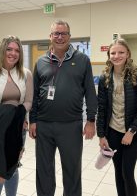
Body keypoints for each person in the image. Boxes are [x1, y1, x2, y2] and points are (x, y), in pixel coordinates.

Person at [29, 20, 97, 196]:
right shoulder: (41, 61)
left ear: (69, 36)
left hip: (71, 125)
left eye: (63, 33)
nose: (60, 37)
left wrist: (91, 121)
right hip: (44, 125)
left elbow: (90, 92)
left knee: (72, 171)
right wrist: (33, 120)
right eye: (56, 34)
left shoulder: (82, 60)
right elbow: (34, 94)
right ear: (50, 37)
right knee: (44, 170)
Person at [96, 38, 137, 196]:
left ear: (128, 54)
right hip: (112, 132)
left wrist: (132, 131)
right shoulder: (104, 78)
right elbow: (102, 108)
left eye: (121, 52)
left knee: (127, 173)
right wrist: (101, 135)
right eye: (113, 53)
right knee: (118, 172)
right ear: (108, 55)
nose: (116, 56)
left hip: (131, 134)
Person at [0, 35, 33, 196]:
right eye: (9, 49)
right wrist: (15, 114)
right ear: (2, 50)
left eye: (17, 50)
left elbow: (29, 101)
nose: (13, 53)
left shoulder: (26, 74)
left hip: (17, 133)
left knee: (13, 170)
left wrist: (17, 119)